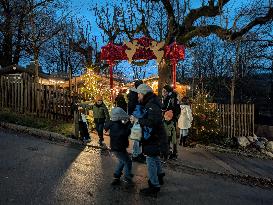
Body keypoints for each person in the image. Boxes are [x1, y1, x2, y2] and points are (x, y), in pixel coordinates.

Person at [131, 83, 168, 197]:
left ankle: (154, 186)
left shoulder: (152, 105)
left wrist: (137, 120)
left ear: (144, 94)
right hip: (155, 137)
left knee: (150, 160)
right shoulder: (151, 103)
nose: (138, 97)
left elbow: (152, 123)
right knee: (154, 157)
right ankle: (160, 176)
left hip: (153, 137)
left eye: (139, 95)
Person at [104, 107, 133, 185]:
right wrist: (130, 125)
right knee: (127, 161)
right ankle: (127, 178)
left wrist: (127, 123)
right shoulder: (117, 125)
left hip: (117, 147)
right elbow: (124, 133)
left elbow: (122, 128)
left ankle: (116, 176)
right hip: (118, 147)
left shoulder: (114, 123)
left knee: (122, 161)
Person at [127, 80, 146, 163]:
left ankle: (138, 153)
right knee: (137, 136)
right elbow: (131, 107)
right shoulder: (134, 95)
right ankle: (135, 155)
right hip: (136, 117)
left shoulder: (136, 93)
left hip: (139, 116)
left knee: (139, 136)